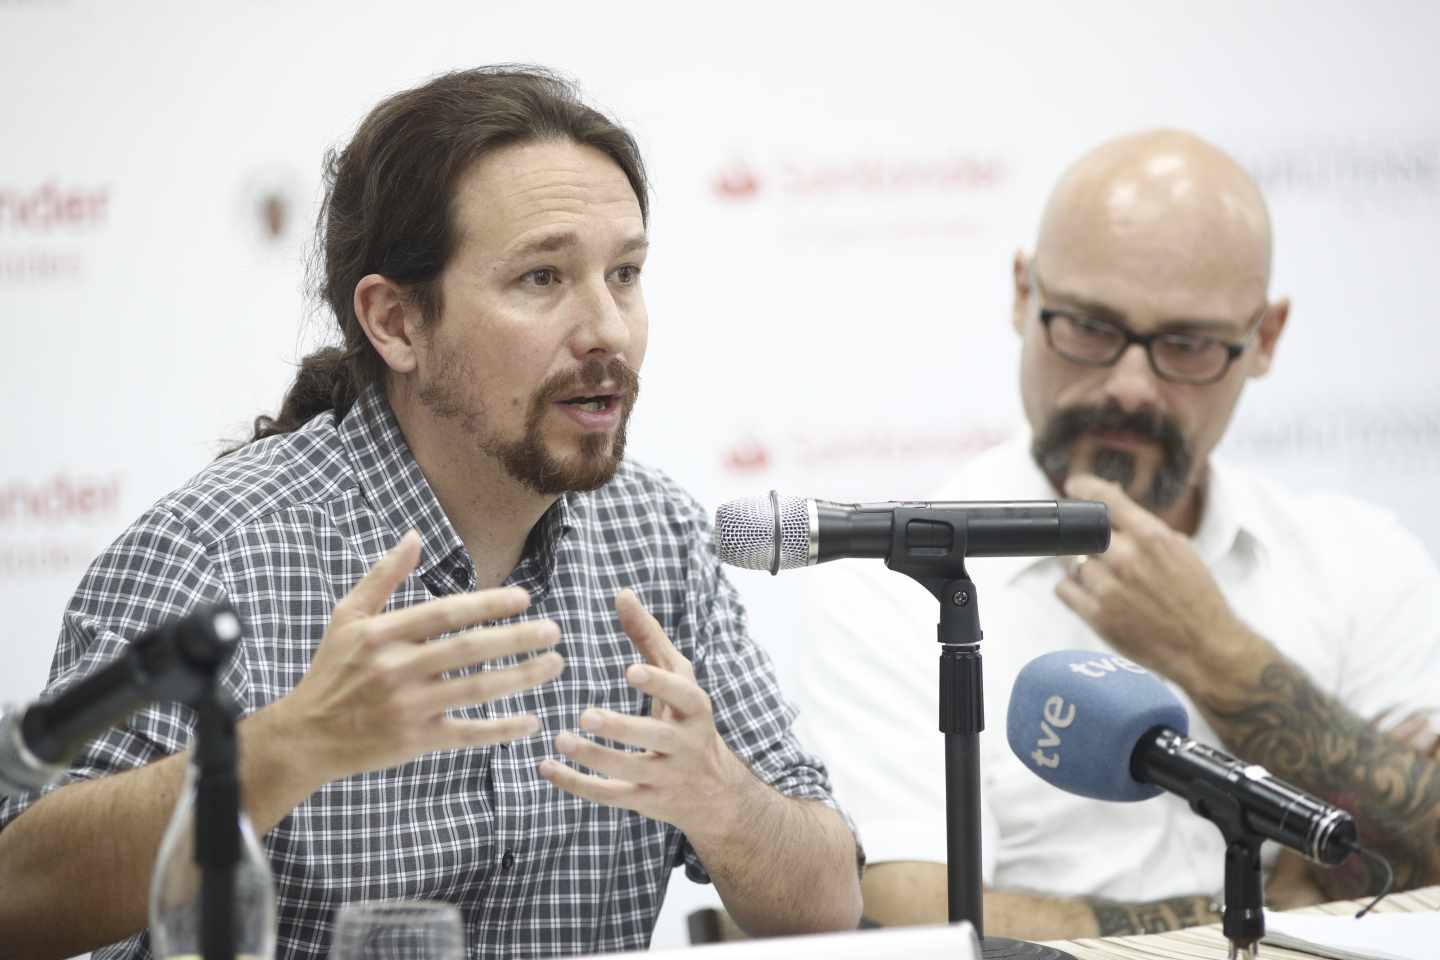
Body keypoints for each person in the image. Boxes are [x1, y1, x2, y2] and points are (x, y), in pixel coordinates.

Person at [0, 66, 862, 959]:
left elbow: (828, 906)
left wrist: (724, 799)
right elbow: (15, 897)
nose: (608, 329)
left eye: (626, 274)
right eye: (542, 277)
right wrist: (291, 746)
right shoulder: (218, 553)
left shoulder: (660, 540)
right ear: (397, 323)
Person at [793, 129, 1440, 940]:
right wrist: (1267, 916)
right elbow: (920, 914)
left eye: (1186, 345)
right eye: (1090, 329)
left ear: (1265, 339)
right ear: (1024, 295)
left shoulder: (1360, 561)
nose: (1130, 387)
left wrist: (1218, 654)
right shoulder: (892, 584)